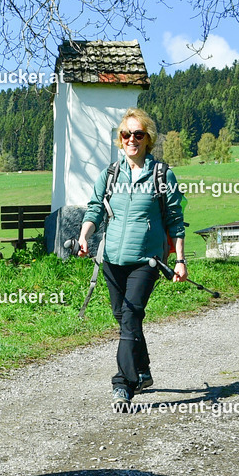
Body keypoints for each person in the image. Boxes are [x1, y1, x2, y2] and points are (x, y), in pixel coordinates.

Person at [77, 108, 187, 412]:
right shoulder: (110, 174)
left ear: (148, 138)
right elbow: (94, 209)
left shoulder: (161, 174)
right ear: (120, 139)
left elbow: (176, 221)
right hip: (112, 258)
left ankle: (122, 384)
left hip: (146, 260)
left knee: (129, 316)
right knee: (125, 317)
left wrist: (180, 259)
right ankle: (143, 368)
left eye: (138, 134)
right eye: (127, 134)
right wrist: (86, 235)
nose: (132, 140)